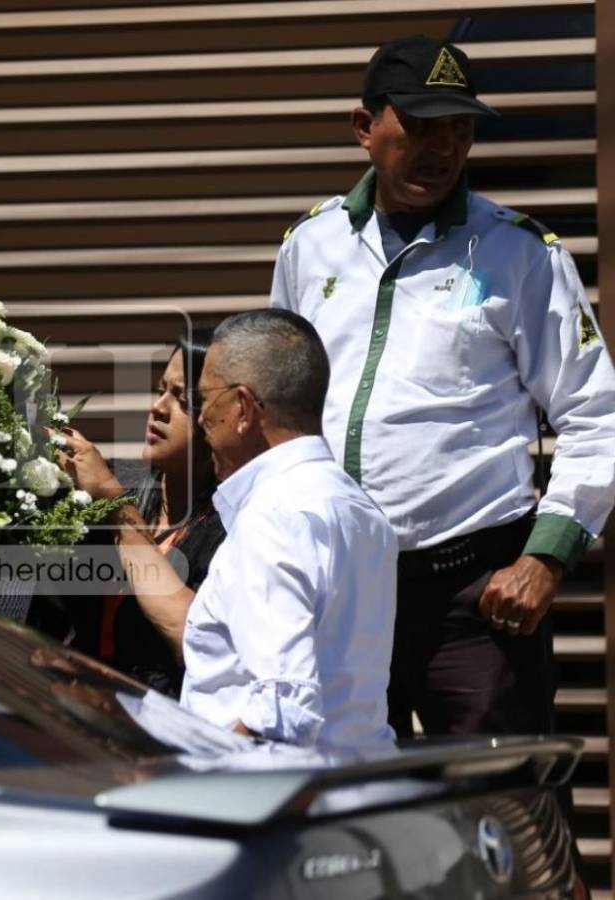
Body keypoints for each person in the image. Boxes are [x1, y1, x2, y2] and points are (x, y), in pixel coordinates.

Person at [270, 35, 615, 738]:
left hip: (475, 597)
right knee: (351, 810)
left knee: (504, 815)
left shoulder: (520, 254)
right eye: (422, 125)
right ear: (365, 127)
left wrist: (546, 558)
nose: (443, 148)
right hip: (341, 593)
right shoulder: (310, 246)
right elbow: (279, 406)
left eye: (459, 130)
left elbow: (597, 414)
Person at [176, 310, 396, 747]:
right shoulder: (363, 511)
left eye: (203, 401)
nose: (200, 420)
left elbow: (282, 712)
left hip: (265, 802)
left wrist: (189, 782)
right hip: (353, 787)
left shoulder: (272, 517)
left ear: (242, 407)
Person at [53, 328, 225, 697]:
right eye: (161, 389)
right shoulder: (117, 480)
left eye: (183, 400)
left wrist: (113, 502)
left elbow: (196, 641)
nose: (158, 407)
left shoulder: (230, 523)